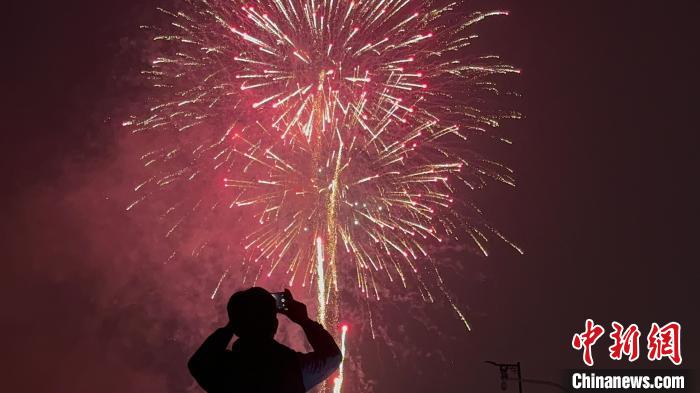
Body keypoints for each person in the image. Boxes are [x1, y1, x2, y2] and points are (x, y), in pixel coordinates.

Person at [188, 287, 342, 393]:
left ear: (237, 327)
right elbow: (333, 356)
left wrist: (232, 326)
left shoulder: (224, 369)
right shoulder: (292, 369)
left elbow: (197, 363)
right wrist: (304, 320)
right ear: (274, 325)